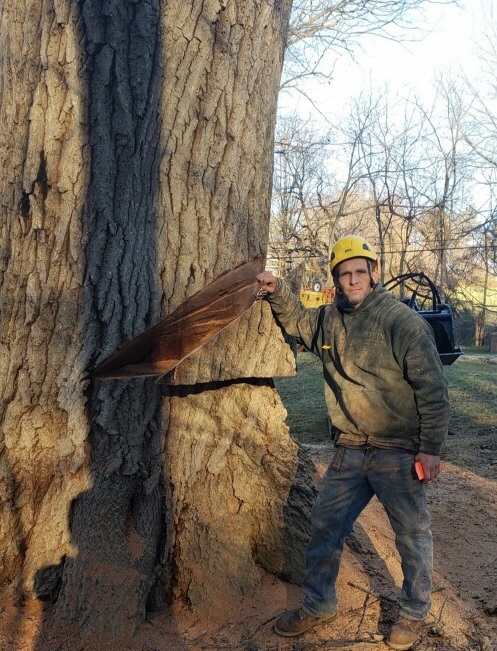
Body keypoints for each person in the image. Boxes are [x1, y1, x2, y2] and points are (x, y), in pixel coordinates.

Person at [256, 236, 450, 651]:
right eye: (345, 274)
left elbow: (433, 390)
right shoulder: (329, 319)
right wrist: (277, 291)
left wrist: (430, 448)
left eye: (360, 271)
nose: (353, 279)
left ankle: (414, 613)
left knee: (411, 534)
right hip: (349, 450)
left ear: (373, 273)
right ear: (336, 280)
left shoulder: (403, 323)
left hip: (397, 451)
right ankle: (318, 603)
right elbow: (299, 322)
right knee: (325, 525)